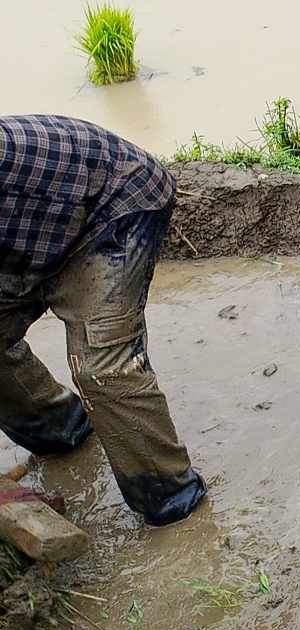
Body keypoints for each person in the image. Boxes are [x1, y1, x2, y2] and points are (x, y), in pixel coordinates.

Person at [0, 116, 206, 525]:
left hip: (113, 200)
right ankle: (59, 429)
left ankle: (171, 498)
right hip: (31, 229)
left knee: (102, 366)